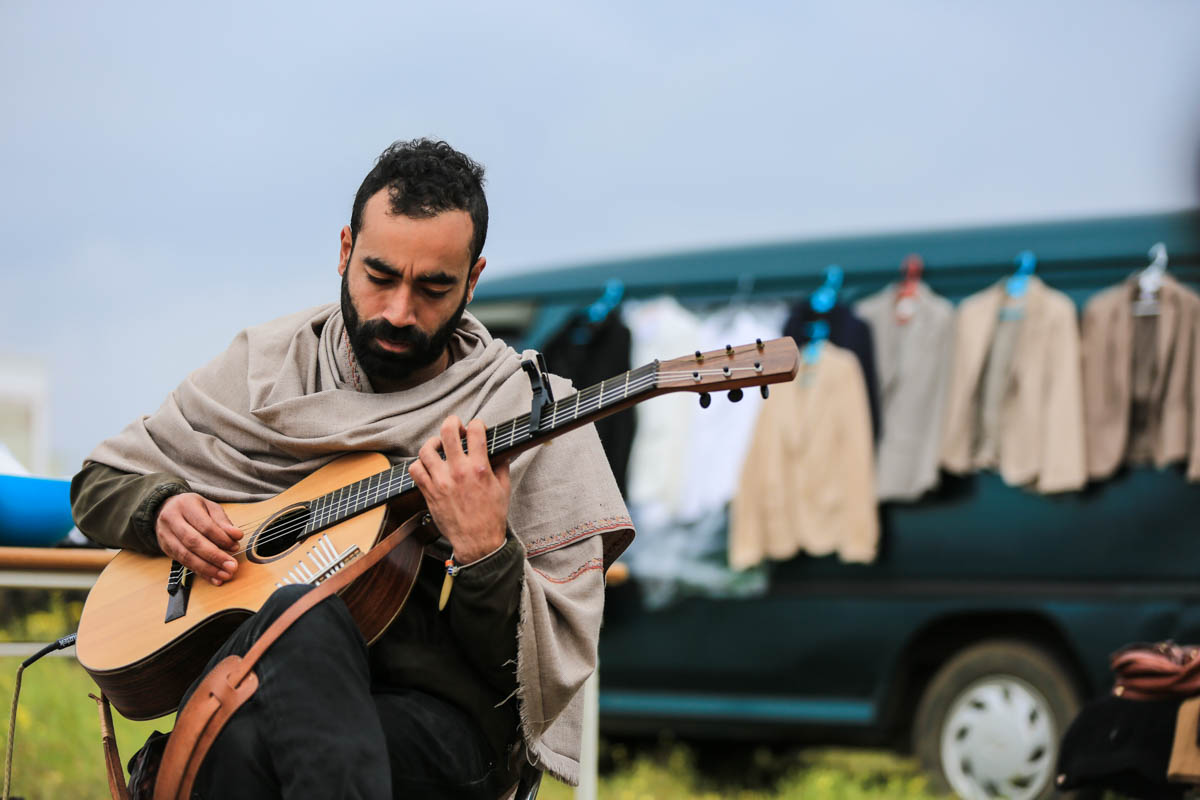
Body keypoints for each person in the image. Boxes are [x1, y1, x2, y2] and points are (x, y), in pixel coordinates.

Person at [70, 138, 634, 799]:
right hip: (253, 701)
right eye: (380, 276)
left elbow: (521, 677)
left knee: (282, 651)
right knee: (266, 690)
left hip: (438, 728)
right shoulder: (265, 368)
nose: (399, 311)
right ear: (344, 251)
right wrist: (161, 509)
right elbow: (98, 485)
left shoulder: (522, 409)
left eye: (432, 287)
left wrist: (485, 551)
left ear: (473, 280)